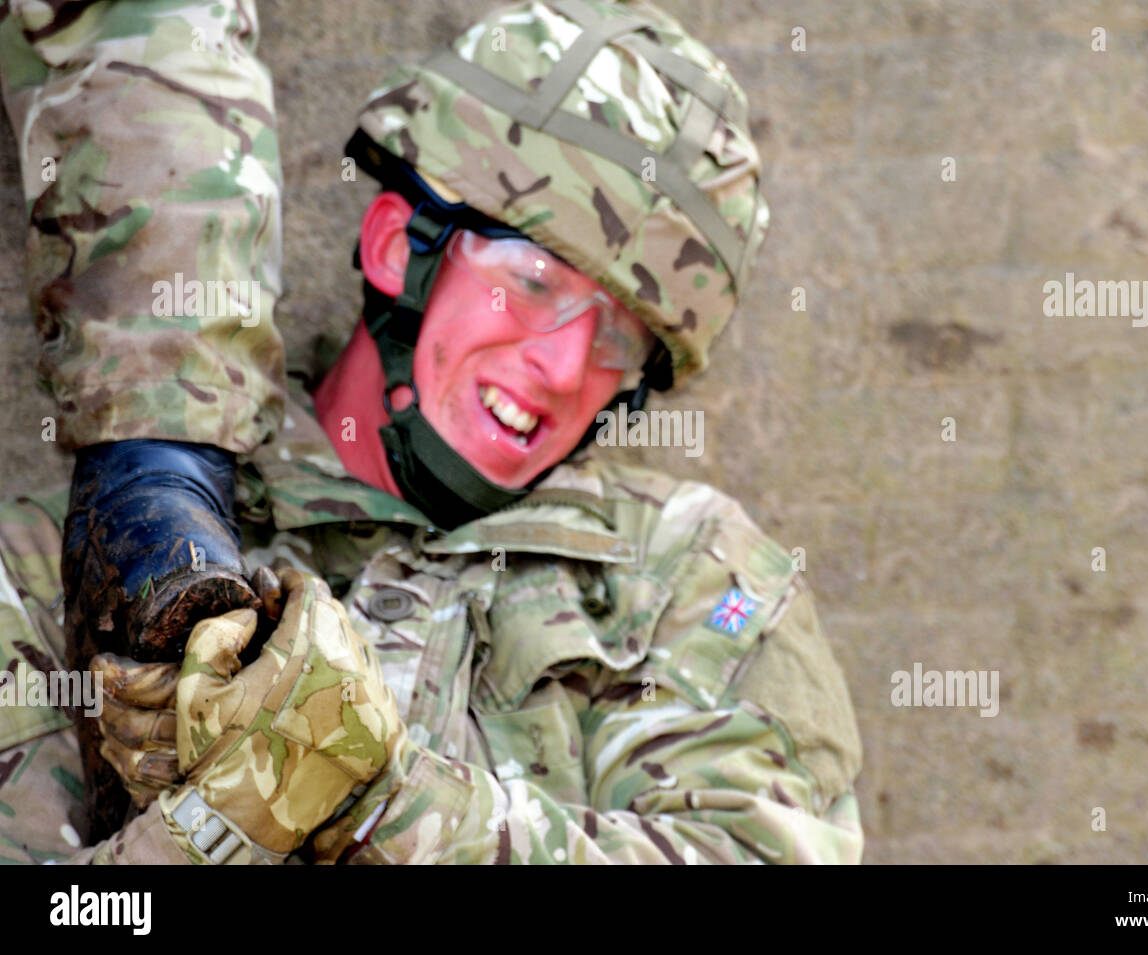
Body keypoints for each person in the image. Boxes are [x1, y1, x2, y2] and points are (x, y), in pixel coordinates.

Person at [0, 0, 864, 864]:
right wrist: (219, 824)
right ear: (393, 247)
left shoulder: (694, 585)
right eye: (528, 281)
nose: (563, 366)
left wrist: (387, 805)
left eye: (616, 335)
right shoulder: (59, 566)